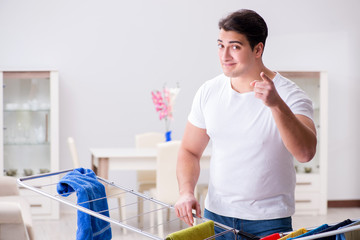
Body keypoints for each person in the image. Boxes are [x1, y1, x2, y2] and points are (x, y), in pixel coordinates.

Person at [174, 9, 317, 239]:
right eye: (221, 45)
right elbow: (189, 150)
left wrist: (276, 105)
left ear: (258, 49)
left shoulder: (290, 96)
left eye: (235, 47)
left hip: (269, 222)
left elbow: (306, 153)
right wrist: (185, 191)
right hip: (215, 217)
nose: (225, 55)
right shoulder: (209, 91)